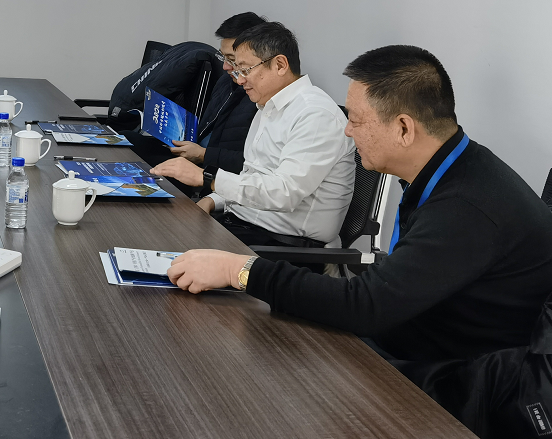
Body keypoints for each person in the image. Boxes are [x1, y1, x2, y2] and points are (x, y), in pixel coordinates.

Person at [167, 45, 552, 368]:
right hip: (411, 337)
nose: (347, 131)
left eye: (355, 119)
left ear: (404, 128)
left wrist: (239, 270)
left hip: (451, 382)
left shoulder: (466, 206)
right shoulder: (453, 168)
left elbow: (366, 306)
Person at [153, 21, 355, 249]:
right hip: (243, 225)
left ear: (280, 65)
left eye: (245, 70)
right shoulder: (266, 106)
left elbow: (284, 193)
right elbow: (252, 176)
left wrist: (207, 179)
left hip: (283, 245)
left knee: (165, 247)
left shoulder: (315, 115)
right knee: (157, 226)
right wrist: (212, 200)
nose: (239, 80)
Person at [140, 12, 265, 174]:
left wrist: (203, 155)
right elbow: (207, 127)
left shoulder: (261, 98)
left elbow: (252, 165)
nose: (225, 66)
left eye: (232, 59)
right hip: (194, 155)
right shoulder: (225, 81)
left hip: (212, 172)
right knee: (129, 139)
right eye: (223, 57)